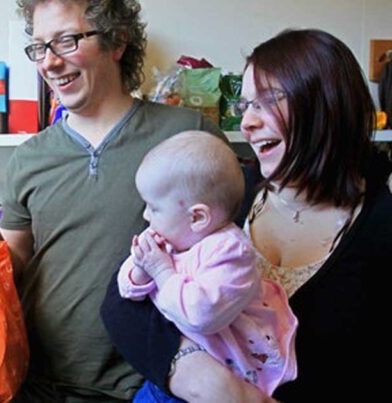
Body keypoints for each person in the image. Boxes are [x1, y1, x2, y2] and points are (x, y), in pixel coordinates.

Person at [0, 0, 225, 400]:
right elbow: (15, 265)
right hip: (43, 385)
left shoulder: (188, 136)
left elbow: (227, 254)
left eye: (66, 41)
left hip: (151, 386)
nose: (49, 62)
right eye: (40, 47)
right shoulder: (29, 157)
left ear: (117, 41)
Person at [101, 29, 392, 402]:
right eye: (245, 106)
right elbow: (121, 302)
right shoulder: (223, 190)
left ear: (325, 103)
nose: (247, 124)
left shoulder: (380, 224)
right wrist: (204, 378)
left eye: (267, 102)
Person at [116, 132, 297, 402]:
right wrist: (141, 270)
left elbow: (201, 314)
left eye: (153, 208)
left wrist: (161, 272)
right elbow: (125, 290)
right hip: (167, 380)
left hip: (227, 380)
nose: (145, 215)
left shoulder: (230, 253)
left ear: (197, 217)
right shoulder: (170, 238)